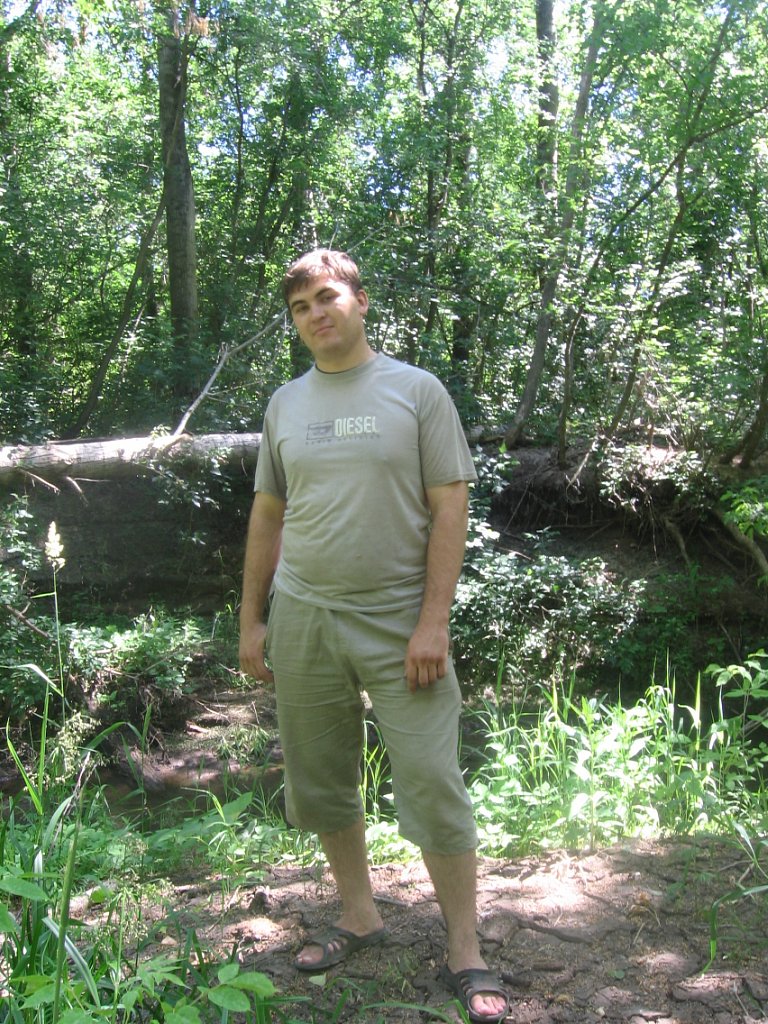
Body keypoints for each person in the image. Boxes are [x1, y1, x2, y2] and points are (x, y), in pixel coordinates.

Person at [239, 249, 509, 1024]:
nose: (315, 315)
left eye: (326, 298)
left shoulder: (416, 391)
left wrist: (433, 621)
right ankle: (359, 916)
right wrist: (251, 619)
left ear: (359, 301)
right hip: (304, 615)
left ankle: (465, 948)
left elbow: (450, 506)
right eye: (300, 308)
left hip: (399, 619)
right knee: (321, 777)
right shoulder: (285, 404)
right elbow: (268, 514)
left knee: (431, 778)